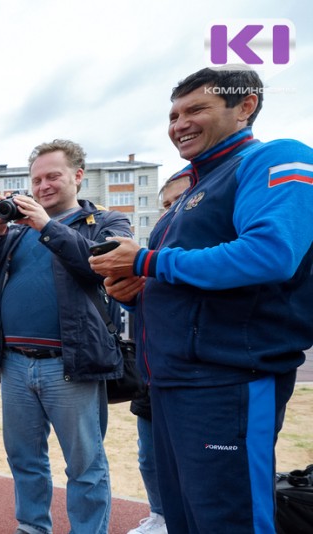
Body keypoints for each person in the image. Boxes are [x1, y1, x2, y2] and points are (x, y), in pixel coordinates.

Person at [89, 67, 313, 533]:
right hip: (172, 385)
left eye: (196, 110)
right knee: (186, 522)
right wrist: (135, 294)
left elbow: (271, 254)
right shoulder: (191, 194)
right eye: (173, 115)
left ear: (245, 106)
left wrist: (148, 263)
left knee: (229, 522)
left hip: (228, 382)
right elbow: (181, 285)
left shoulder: (275, 158)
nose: (179, 124)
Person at [0, 139, 132, 534]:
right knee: (24, 460)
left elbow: (98, 266)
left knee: (85, 466)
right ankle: (32, 528)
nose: (42, 186)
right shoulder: (15, 233)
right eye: (36, 179)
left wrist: (46, 224)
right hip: (16, 364)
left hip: (71, 367)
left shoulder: (107, 222)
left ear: (78, 176)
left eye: (53, 176)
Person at [126, 169, 190, 534]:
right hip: (153, 375)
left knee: (193, 463)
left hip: (196, 376)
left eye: (178, 202)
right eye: (164, 205)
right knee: (150, 456)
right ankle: (160, 516)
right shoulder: (153, 254)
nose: (169, 211)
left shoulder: (205, 251)